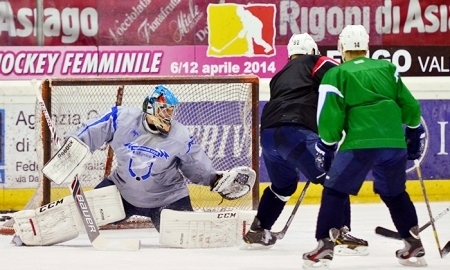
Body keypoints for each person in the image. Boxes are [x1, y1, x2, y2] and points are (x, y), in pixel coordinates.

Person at [302, 25, 427, 269]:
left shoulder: (336, 74)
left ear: (341, 48)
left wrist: (326, 146)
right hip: (394, 144)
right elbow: (410, 106)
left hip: (360, 144)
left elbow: (330, 117)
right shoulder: (389, 68)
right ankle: (413, 242)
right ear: (367, 47)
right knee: (394, 193)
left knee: (335, 190)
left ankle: (325, 246)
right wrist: (413, 130)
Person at [241, 33, 368, 255]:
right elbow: (342, 75)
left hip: (269, 135)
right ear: (312, 51)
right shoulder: (317, 61)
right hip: (295, 132)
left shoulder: (279, 75)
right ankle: (340, 232)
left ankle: (259, 229)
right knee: (337, 177)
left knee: (283, 186)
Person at [66, 85, 253, 232]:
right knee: (76, 215)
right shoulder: (121, 119)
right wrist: (72, 148)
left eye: (170, 111)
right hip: (121, 192)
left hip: (168, 198)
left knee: (187, 237)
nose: (168, 115)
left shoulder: (179, 135)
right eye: (163, 109)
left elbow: (195, 165)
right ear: (150, 107)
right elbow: (92, 130)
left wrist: (213, 179)